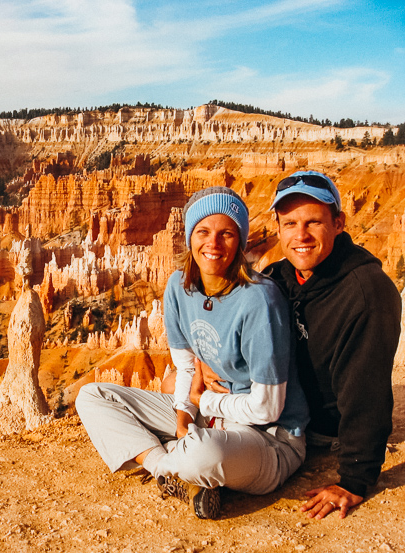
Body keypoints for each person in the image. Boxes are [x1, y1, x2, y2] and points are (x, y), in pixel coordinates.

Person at [76, 186, 310, 519]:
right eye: (203, 231)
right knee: (92, 397)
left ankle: (178, 462)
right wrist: (184, 419)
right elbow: (186, 369)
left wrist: (204, 403)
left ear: (241, 242)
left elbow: (267, 408)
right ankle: (169, 468)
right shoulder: (178, 287)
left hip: (268, 436)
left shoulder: (260, 301)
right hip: (208, 417)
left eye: (227, 234)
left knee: (205, 452)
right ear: (189, 237)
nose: (213, 244)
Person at [261, 170, 401, 519]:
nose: (300, 235)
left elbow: (366, 389)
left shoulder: (366, 293)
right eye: (290, 223)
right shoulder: (281, 278)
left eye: (313, 222)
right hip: (285, 411)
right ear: (277, 228)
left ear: (338, 223)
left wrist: (355, 480)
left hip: (320, 432)